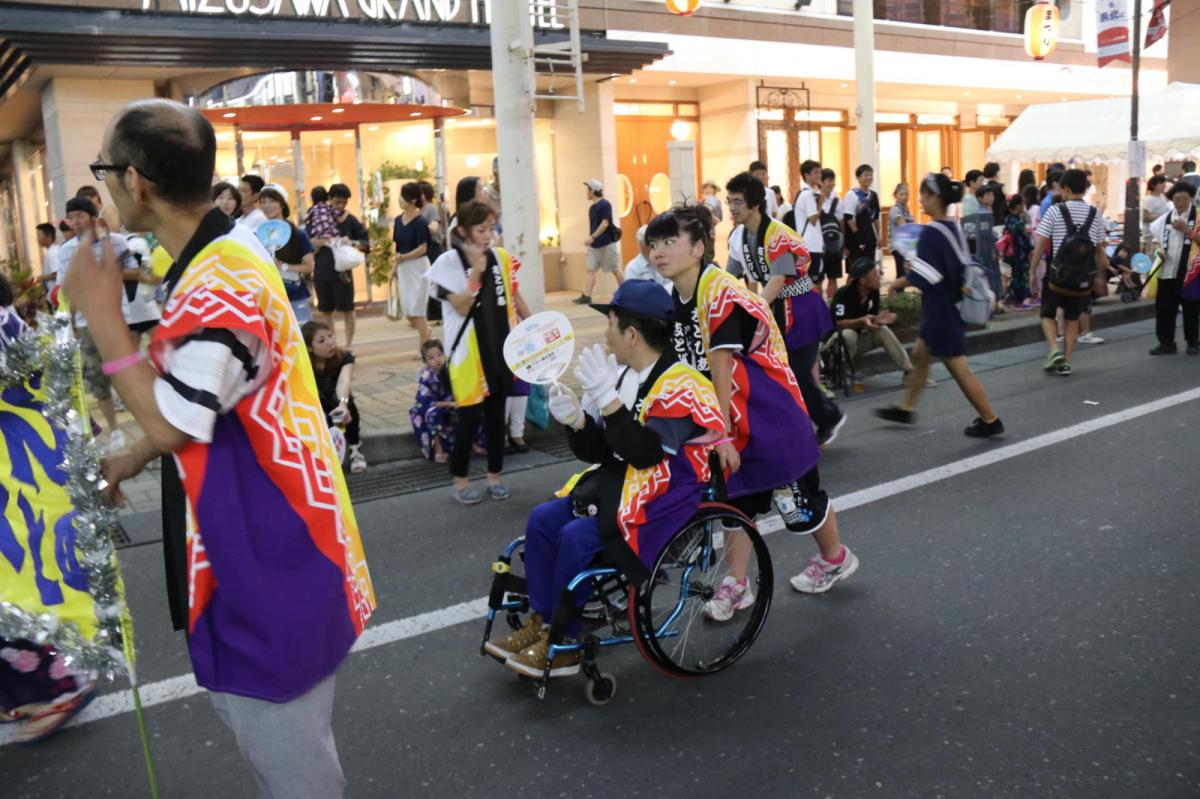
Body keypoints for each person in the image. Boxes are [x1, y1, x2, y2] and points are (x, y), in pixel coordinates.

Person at [64, 98, 374, 798]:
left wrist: (106, 319)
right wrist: (138, 450)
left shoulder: (220, 278)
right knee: (283, 758)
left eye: (104, 171)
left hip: (271, 560)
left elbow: (178, 420)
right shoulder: (225, 252)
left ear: (136, 179)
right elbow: (210, 392)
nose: (105, 187)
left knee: (297, 774)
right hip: (270, 540)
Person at [486, 281, 726, 677]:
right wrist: (578, 423)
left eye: (610, 324)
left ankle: (566, 638)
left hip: (665, 496)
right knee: (543, 520)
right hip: (621, 484)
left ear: (631, 335)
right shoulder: (620, 375)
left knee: (575, 537)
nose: (604, 333)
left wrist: (607, 400)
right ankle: (546, 623)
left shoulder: (683, 386)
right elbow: (601, 452)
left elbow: (647, 454)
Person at [0, 273, 96, 744]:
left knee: (20, 591)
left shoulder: (5, 331)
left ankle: (63, 686)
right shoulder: (15, 326)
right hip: (28, 480)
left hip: (18, 483)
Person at [874, 173, 1004, 438]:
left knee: (957, 367)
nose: (920, 199)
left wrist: (897, 284)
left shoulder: (932, 232)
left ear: (935, 198)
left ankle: (991, 419)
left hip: (941, 309)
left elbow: (926, 276)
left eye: (924, 194)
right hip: (947, 305)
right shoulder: (950, 226)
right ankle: (906, 407)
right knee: (921, 355)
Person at [725, 171, 846, 447]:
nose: (731, 209)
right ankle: (794, 428)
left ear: (755, 204)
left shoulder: (779, 234)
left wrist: (749, 309)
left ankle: (827, 417)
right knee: (776, 374)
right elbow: (729, 275)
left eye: (737, 202)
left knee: (798, 373)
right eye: (729, 202)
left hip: (800, 311)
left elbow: (777, 280)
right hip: (774, 312)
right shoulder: (738, 236)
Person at [425, 200, 530, 505]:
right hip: (468, 358)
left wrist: (535, 328)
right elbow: (460, 305)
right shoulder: (446, 263)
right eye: (481, 229)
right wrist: (476, 274)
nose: (488, 235)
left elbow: (515, 297)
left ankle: (495, 477)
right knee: (469, 420)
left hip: (502, 350)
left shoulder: (502, 258)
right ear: (462, 231)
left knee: (498, 419)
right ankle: (459, 481)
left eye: (491, 228)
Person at [55, 195, 139, 452]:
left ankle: (142, 423)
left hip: (116, 317)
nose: (76, 222)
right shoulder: (67, 251)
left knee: (124, 375)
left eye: (80, 216)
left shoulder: (116, 242)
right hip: (85, 322)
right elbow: (64, 291)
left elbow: (135, 272)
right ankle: (115, 431)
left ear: (92, 217)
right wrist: (69, 326)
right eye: (72, 218)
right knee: (97, 378)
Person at [1028, 168, 1110, 375]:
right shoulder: (1096, 214)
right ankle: (1067, 362)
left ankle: (1055, 350)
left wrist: (1032, 271)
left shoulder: (1055, 211)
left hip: (1057, 277)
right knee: (1073, 319)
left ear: (1064, 188)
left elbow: (1040, 244)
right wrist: (1101, 276)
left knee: (1047, 314)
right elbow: (1101, 250)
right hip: (1083, 280)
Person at [830, 257, 920, 381]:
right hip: (837, 345)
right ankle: (839, 371)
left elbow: (869, 320)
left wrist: (877, 320)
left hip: (858, 342)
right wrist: (862, 320)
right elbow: (838, 324)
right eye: (875, 275)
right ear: (862, 280)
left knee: (882, 330)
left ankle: (909, 372)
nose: (879, 276)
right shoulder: (843, 294)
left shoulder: (873, 292)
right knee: (849, 335)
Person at [304, 320, 366, 473]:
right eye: (322, 340)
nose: (330, 343)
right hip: (316, 403)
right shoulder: (304, 363)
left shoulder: (345, 357)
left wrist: (343, 405)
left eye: (330, 336)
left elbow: (344, 380)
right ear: (309, 347)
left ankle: (354, 448)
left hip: (337, 399)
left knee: (346, 404)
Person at [1147, 181, 1200, 355]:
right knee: (1164, 308)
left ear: (1191, 199)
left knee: (1191, 308)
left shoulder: (1198, 217)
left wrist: (1187, 230)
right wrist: (1157, 252)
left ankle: (1193, 343)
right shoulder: (1165, 218)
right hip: (1167, 270)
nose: (1180, 203)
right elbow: (1156, 242)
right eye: (1176, 199)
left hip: (1190, 272)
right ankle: (1166, 343)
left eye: (1184, 199)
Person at [307, 184, 356, 347]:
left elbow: (365, 242)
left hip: (342, 271)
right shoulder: (317, 215)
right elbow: (310, 242)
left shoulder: (349, 219)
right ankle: (332, 344)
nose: (341, 206)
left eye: (344, 203)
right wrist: (330, 241)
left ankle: (348, 346)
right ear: (329, 199)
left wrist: (352, 242)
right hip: (322, 269)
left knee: (348, 308)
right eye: (338, 202)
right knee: (326, 310)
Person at [259, 186, 315, 324]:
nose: (267, 206)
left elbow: (309, 266)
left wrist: (283, 266)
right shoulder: (259, 234)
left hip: (295, 295)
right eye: (263, 202)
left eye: (271, 201)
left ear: (281, 204)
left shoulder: (297, 233)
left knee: (302, 337)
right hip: (270, 297)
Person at [393, 182, 433, 346]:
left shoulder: (420, 222)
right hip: (404, 268)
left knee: (418, 309)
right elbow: (397, 247)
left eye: (403, 196)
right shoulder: (397, 220)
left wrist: (404, 257)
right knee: (409, 311)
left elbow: (423, 248)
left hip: (418, 268)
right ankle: (426, 332)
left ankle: (424, 346)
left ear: (413, 199)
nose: (399, 200)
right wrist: (396, 266)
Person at [574, 179, 623, 305]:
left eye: (588, 189)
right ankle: (587, 296)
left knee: (615, 269)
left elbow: (605, 223)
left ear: (594, 191)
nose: (586, 192)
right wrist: (592, 239)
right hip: (594, 245)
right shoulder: (592, 208)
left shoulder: (605, 204)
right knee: (590, 269)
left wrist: (593, 237)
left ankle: (626, 292)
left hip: (606, 243)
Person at [410, 339, 457, 463]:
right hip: (428, 408)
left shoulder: (451, 369)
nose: (437, 359)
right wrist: (450, 403)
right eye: (431, 357)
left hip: (449, 404)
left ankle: (472, 444)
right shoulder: (426, 377)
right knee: (433, 413)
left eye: (439, 355)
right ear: (425, 362)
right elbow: (426, 402)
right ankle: (438, 449)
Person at [793, 160, 826, 291]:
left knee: (814, 282)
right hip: (810, 245)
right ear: (806, 175)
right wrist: (821, 203)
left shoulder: (808, 193)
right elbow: (813, 219)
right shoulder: (807, 194)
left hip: (810, 244)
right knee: (812, 283)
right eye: (815, 172)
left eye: (820, 172)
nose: (819, 175)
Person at [842, 164, 880, 265]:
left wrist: (879, 236)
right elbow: (848, 218)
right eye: (866, 175)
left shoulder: (873, 195)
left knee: (869, 267)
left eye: (871, 175)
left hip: (870, 237)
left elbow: (876, 218)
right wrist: (858, 237)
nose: (869, 177)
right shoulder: (851, 194)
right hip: (855, 239)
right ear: (858, 177)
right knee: (855, 269)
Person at [1001, 195, 1033, 308]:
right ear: (1018, 206)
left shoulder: (1008, 218)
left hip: (1011, 252)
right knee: (1021, 276)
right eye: (1023, 204)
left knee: (1016, 275)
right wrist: (1030, 248)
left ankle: (1011, 297)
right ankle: (1019, 300)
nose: (1024, 206)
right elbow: (1023, 239)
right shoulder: (1017, 222)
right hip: (1020, 253)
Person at [819, 168, 844, 298]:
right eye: (828, 180)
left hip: (834, 246)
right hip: (818, 246)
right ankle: (818, 308)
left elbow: (841, 224)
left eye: (832, 181)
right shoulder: (814, 199)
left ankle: (831, 304)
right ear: (821, 182)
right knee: (817, 280)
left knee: (833, 278)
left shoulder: (838, 202)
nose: (831, 183)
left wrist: (843, 245)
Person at [623, 224, 671, 290]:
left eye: (653, 244)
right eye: (647, 244)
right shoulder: (633, 268)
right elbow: (632, 294)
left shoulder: (665, 260)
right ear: (639, 245)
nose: (650, 248)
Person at [888, 182, 914, 278]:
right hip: (898, 246)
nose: (904, 197)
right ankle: (896, 292)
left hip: (906, 246)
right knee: (901, 273)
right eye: (901, 194)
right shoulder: (895, 209)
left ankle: (899, 292)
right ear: (895, 195)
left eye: (906, 194)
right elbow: (904, 227)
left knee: (905, 272)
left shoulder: (906, 209)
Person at [1143, 175, 1172, 254]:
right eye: (1161, 183)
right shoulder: (1148, 200)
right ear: (1153, 185)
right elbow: (1145, 217)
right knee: (1152, 256)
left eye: (1164, 182)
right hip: (1152, 234)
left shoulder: (1162, 196)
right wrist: (1163, 217)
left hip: (1161, 232)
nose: (1164, 185)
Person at [960, 169, 984, 253]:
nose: (982, 183)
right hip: (972, 237)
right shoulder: (968, 199)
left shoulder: (977, 198)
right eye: (980, 180)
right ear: (971, 183)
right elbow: (968, 219)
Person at [36, 222, 59, 293]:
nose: (37, 239)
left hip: (56, 294)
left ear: (48, 237)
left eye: (39, 235)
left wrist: (43, 277)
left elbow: (58, 274)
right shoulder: (52, 251)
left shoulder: (53, 253)